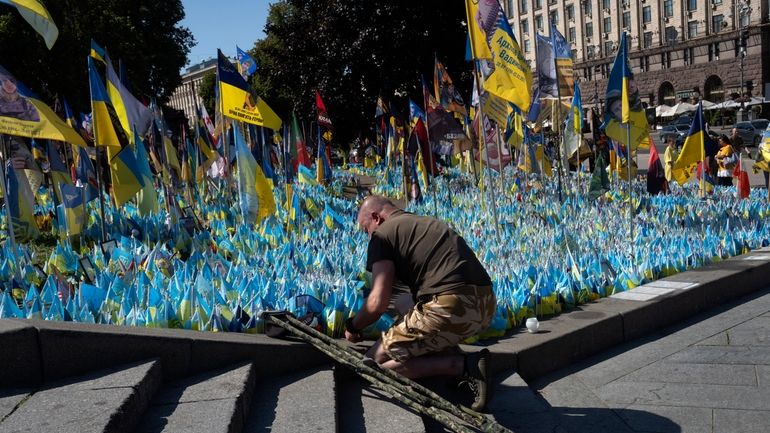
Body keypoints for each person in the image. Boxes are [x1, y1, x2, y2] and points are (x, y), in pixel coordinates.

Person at [347, 196, 496, 411]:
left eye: (365, 229)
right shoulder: (424, 222)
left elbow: (377, 302)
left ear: (376, 218)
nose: (367, 235)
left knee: (372, 363)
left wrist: (353, 326)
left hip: (450, 306)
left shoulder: (382, 235)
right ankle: (453, 357)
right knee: (410, 316)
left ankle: (462, 366)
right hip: (485, 305)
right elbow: (407, 298)